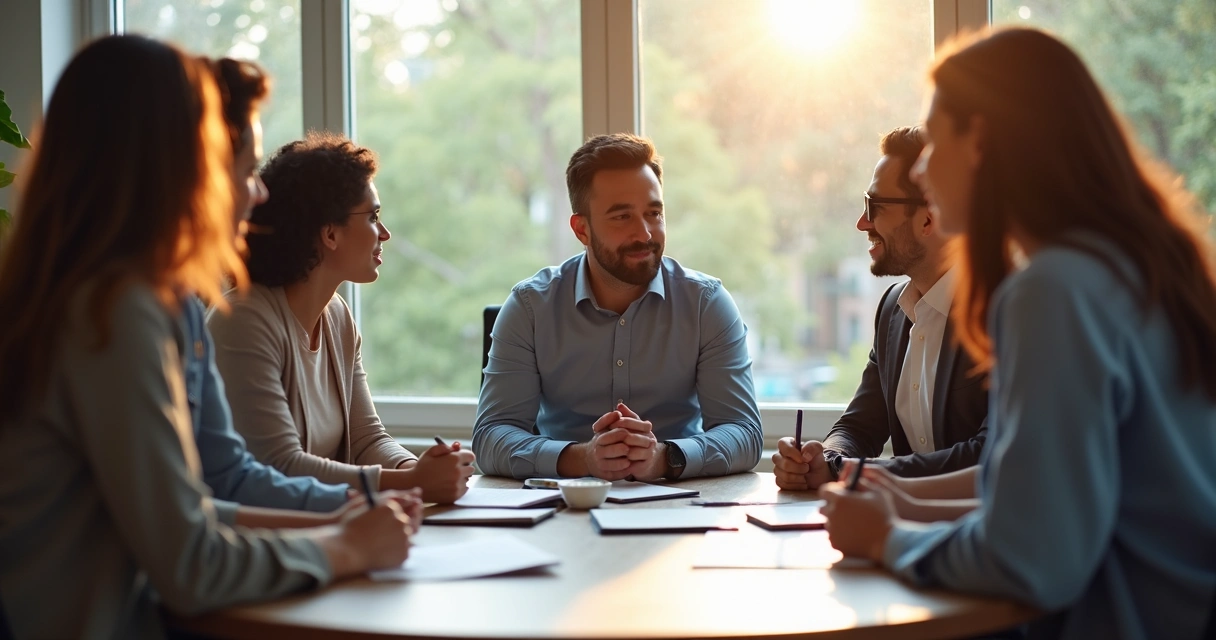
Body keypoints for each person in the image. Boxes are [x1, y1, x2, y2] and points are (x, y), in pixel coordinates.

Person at [0, 35, 417, 639]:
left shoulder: (165, 305)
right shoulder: (111, 314)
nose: (258, 192)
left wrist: (358, 514)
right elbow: (191, 562)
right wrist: (345, 547)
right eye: (242, 170)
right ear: (179, 171)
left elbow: (220, 488)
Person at [819, 28, 1216, 639]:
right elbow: (1036, 485)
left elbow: (1031, 559)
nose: (924, 168)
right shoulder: (1133, 266)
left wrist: (886, 538)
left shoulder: (1052, 292)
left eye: (934, 141)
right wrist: (906, 501)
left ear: (978, 140)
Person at [473, 133, 763, 480]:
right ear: (582, 229)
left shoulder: (706, 303)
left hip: (678, 512)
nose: (644, 233)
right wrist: (583, 459)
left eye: (654, 213)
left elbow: (744, 433)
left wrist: (664, 457)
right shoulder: (530, 307)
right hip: (563, 510)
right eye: (622, 217)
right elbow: (491, 437)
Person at [208, 132, 476, 504]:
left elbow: (368, 439)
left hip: (328, 527)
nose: (385, 233)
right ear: (330, 233)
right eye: (373, 216)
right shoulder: (243, 321)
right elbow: (280, 465)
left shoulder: (337, 316)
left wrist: (417, 469)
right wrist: (413, 481)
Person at [178, 56, 362, 527]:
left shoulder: (180, 312)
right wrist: (363, 519)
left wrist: (404, 484)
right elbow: (182, 531)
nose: (258, 194)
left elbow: (230, 482)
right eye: (243, 172)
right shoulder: (230, 316)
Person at [772, 126, 987, 493]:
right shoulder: (892, 309)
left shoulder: (999, 310)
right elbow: (860, 426)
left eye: (875, 206)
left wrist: (852, 474)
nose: (862, 223)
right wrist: (823, 458)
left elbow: (986, 454)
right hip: (904, 526)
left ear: (927, 219)